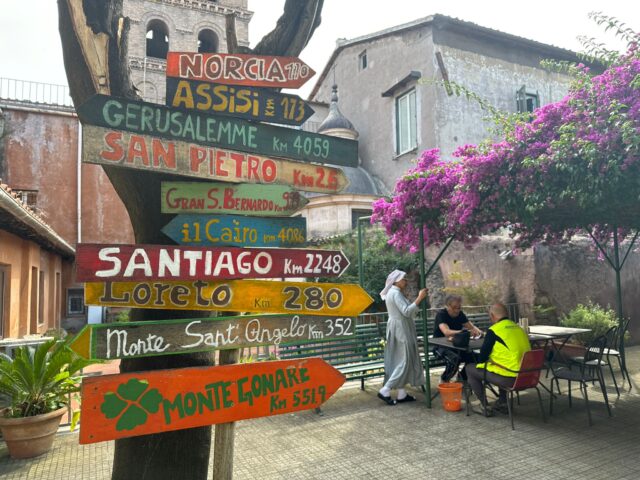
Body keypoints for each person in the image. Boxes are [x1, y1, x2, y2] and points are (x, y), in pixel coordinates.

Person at [465, 303, 531, 415]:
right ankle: (503, 402)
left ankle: (484, 406)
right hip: (529, 376)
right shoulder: (519, 328)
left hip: (511, 379)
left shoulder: (494, 330)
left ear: (492, 315)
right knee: (501, 364)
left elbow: (482, 358)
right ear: (507, 313)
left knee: (470, 369)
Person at [377, 270, 429, 405]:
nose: (406, 281)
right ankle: (386, 389)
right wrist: (420, 298)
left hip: (397, 327)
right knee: (404, 359)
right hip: (401, 329)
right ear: (397, 281)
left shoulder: (393, 293)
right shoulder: (395, 293)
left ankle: (401, 393)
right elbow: (406, 312)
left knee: (400, 359)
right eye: (403, 279)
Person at [433, 295, 483, 382]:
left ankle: (462, 379)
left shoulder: (460, 314)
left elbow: (471, 327)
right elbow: (446, 332)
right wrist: (463, 332)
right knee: (455, 359)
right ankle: (444, 380)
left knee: (477, 358)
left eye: (459, 308)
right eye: (454, 307)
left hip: (457, 346)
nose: (457, 310)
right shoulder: (441, 314)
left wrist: (479, 332)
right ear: (447, 306)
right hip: (440, 347)